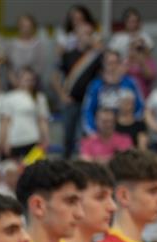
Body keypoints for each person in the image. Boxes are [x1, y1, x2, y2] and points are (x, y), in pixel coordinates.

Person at [57, 20, 104, 157]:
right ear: (76, 35)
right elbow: (57, 77)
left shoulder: (96, 56)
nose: (86, 37)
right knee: (68, 137)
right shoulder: (68, 55)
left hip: (89, 103)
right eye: (83, 33)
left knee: (84, 136)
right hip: (71, 101)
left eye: (89, 34)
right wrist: (62, 94)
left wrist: (97, 46)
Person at [81, 50, 144, 137]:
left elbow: (140, 107)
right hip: (101, 132)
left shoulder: (130, 83)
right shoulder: (95, 85)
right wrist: (93, 132)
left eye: (115, 63)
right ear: (104, 65)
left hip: (126, 131)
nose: (112, 67)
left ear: (120, 64)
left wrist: (131, 126)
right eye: (109, 63)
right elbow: (87, 111)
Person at [0, 67, 51, 161]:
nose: (29, 82)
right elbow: (5, 122)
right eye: (26, 80)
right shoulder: (9, 97)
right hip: (15, 140)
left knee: (35, 167)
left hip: (33, 139)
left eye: (31, 80)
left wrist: (46, 139)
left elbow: (42, 120)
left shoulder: (39, 97)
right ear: (19, 80)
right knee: (15, 168)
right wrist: (4, 141)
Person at [8, 14, 52, 80]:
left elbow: (40, 67)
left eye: (28, 26)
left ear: (33, 28)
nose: (26, 29)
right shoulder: (11, 44)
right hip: (15, 82)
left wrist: (28, 79)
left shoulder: (38, 45)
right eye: (23, 26)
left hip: (33, 81)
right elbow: (9, 67)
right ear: (18, 27)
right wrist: (15, 81)